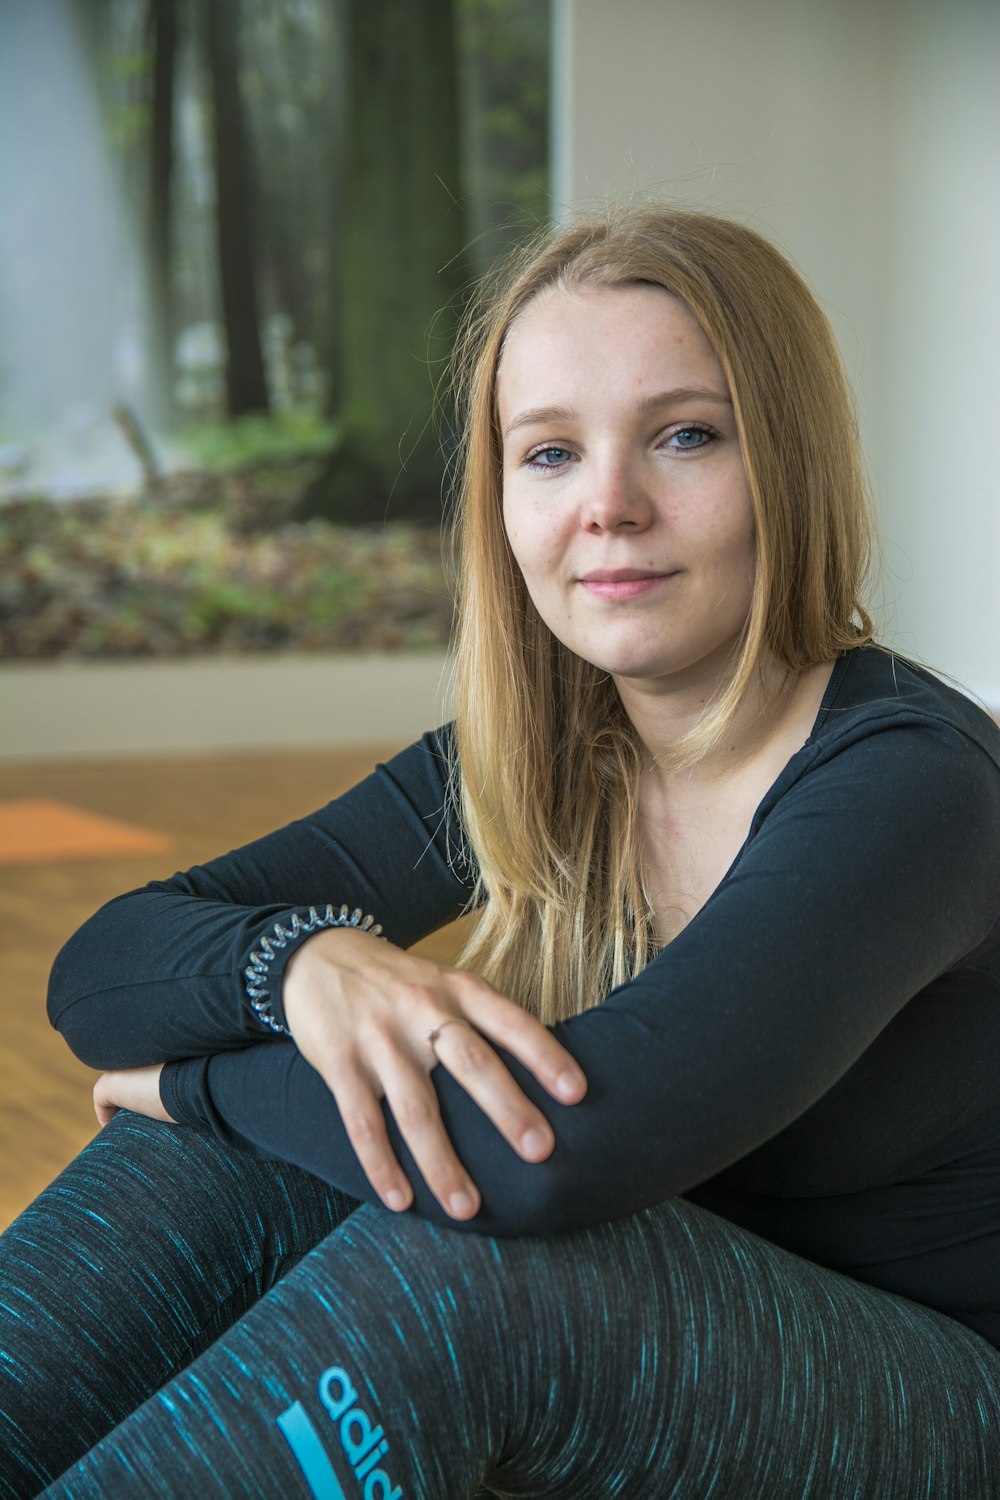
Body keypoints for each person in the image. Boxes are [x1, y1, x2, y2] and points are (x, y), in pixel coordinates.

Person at [2, 206, 999, 1499]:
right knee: (219, 1157)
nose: (610, 507)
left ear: (791, 467)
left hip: (932, 1403)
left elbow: (554, 1158)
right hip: (661, 1302)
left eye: (685, 435)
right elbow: (102, 967)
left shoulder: (912, 784)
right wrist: (297, 969)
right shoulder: (545, 749)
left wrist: (200, 1080)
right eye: (549, 454)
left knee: (464, 1252)